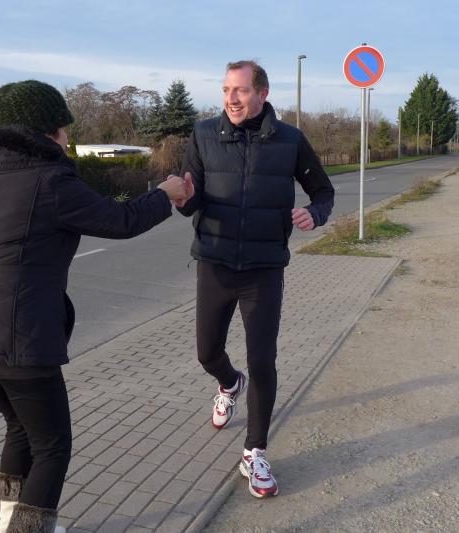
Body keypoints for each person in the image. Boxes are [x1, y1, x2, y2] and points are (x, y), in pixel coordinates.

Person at [0, 80, 189, 532]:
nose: (67, 138)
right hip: (21, 336)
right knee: (53, 445)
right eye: (62, 128)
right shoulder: (50, 179)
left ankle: (8, 523)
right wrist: (165, 192)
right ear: (43, 131)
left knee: (19, 428)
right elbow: (120, 220)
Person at [175, 60, 335, 498]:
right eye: (226, 89)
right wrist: (183, 198)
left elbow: (323, 191)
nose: (231, 98)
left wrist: (315, 214)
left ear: (262, 94)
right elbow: (191, 198)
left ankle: (255, 452)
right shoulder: (204, 134)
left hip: (264, 269)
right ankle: (229, 382)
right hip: (214, 263)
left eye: (241, 90)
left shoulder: (290, 140)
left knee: (263, 360)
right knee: (207, 352)